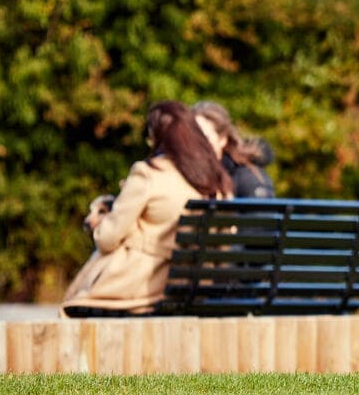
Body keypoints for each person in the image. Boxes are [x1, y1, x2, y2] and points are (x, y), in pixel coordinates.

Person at [62, 101, 232, 315]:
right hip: (194, 288)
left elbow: (107, 239)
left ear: (156, 137)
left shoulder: (148, 174)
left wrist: (104, 224)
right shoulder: (217, 182)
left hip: (140, 290)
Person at [192, 100, 276, 197]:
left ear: (223, 139)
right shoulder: (186, 175)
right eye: (191, 137)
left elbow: (261, 211)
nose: (195, 143)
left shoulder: (248, 179)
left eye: (204, 137)